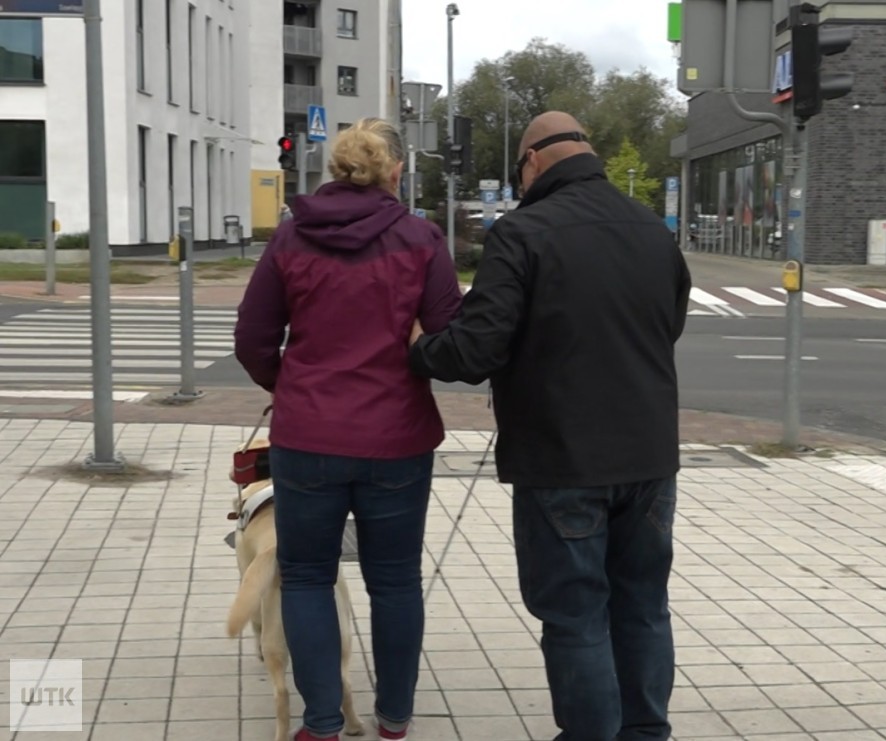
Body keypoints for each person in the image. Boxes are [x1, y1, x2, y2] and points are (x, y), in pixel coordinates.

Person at [408, 111, 691, 741]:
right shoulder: (653, 230)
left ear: (533, 159)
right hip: (649, 457)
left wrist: (421, 347)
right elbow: (668, 326)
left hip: (562, 458)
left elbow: (477, 349)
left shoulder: (524, 232)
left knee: (575, 615)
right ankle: (646, 733)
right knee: (643, 605)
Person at [235, 117, 462, 741]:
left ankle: (323, 722)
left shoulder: (289, 240)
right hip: (399, 438)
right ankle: (394, 718)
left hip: (308, 437)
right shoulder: (420, 239)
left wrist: (289, 386)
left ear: (336, 168)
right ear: (395, 172)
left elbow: (252, 338)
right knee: (394, 579)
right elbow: (449, 334)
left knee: (307, 575)